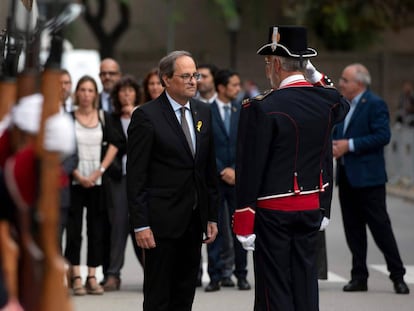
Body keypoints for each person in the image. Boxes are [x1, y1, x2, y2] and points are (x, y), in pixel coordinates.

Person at [233, 25, 350, 311]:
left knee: (274, 289)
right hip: (311, 206)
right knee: (305, 282)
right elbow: (341, 102)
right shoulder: (326, 102)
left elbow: (250, 167)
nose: (266, 69)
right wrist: (315, 75)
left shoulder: (260, 107)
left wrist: (244, 218)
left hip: (272, 211)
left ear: (275, 64)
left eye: (267, 63)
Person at [127, 50, 219, 311]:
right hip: (160, 224)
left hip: (193, 221)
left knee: (184, 294)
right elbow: (136, 177)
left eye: (195, 75)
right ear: (166, 79)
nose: (193, 81)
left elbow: (208, 169)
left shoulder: (203, 112)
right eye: (186, 76)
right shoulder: (146, 116)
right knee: (158, 297)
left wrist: (211, 215)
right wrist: (141, 224)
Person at [333, 63, 410, 295]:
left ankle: (397, 275)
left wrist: (350, 145)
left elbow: (382, 136)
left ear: (359, 84)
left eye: (345, 80)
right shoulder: (343, 105)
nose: (341, 83)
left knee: (380, 228)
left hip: (369, 179)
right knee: (353, 229)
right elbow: (337, 132)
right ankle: (359, 277)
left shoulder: (375, 104)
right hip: (346, 176)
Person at [64, 75, 121, 296]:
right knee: (74, 231)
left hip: (97, 182)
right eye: (83, 90)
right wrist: (76, 173)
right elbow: (63, 148)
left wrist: (101, 169)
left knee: (96, 230)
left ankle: (92, 275)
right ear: (76, 93)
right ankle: (75, 275)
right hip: (75, 180)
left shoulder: (103, 117)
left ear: (95, 95)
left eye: (90, 90)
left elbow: (117, 143)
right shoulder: (69, 118)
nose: (86, 94)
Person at [205, 69, 251, 292]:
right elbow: (203, 145)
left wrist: (235, 169)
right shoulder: (206, 110)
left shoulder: (242, 110)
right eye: (233, 85)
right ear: (221, 87)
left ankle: (241, 274)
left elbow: (247, 144)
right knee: (213, 227)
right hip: (214, 179)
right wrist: (222, 168)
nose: (237, 89)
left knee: (239, 228)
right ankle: (214, 276)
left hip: (237, 180)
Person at [102, 75, 143, 291]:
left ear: (137, 93)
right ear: (117, 95)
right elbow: (115, 145)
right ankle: (113, 274)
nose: (127, 94)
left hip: (141, 180)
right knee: (118, 224)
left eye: (130, 90)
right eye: (122, 91)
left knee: (142, 225)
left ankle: (152, 273)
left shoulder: (144, 115)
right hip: (119, 178)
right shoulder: (111, 118)